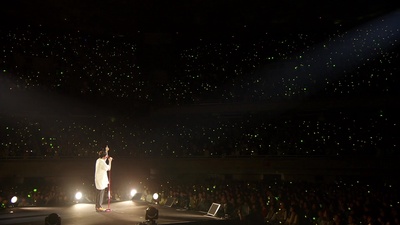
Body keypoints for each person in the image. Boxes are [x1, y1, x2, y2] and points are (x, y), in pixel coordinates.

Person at [94, 145, 113, 212]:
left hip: (99, 179)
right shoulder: (101, 162)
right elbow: (109, 168)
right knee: (100, 193)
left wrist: (106, 151)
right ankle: (99, 207)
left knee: (99, 193)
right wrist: (110, 161)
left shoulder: (98, 160)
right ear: (104, 157)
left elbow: (104, 159)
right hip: (100, 180)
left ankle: (98, 206)